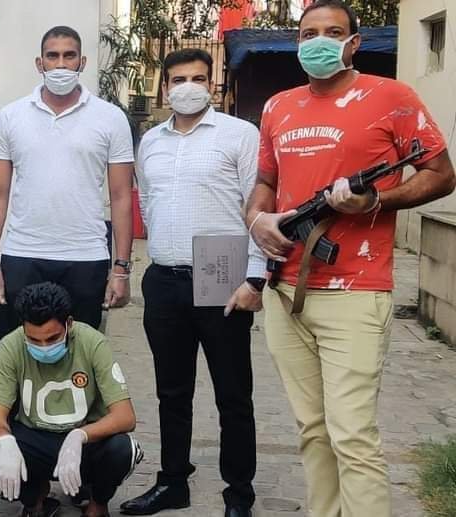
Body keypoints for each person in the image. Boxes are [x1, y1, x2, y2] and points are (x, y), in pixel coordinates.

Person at [245, 1, 455, 515]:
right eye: (308, 33)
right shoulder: (278, 107)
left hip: (356, 291)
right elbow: (266, 181)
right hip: (285, 291)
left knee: (352, 435)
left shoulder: (392, 97)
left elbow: (441, 174)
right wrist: (257, 220)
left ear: (354, 43)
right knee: (312, 430)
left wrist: (376, 200)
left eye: (333, 32)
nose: (319, 41)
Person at [121, 48, 262, 517]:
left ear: (213, 84)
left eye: (198, 78)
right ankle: (173, 482)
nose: (188, 87)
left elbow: (259, 208)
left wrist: (255, 278)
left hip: (222, 274)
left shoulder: (240, 135)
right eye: (178, 79)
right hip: (164, 277)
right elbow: (149, 202)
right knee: (172, 392)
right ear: (165, 87)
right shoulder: (150, 141)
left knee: (233, 394)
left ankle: (239, 493)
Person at [0, 25, 135, 336]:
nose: (61, 64)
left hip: (86, 256)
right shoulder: (11, 116)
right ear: (40, 63)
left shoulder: (110, 118)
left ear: (82, 62)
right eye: (52, 56)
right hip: (22, 253)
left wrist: (121, 268)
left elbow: (121, 196)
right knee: (19, 350)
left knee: (80, 352)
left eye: (69, 56)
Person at [0, 282, 142, 517]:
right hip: (34, 436)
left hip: (85, 439)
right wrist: (5, 441)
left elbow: (125, 416)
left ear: (69, 324)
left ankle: (97, 503)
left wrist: (80, 436)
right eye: (34, 340)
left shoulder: (92, 342)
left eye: (52, 338)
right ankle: (34, 500)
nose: (43, 347)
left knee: (123, 449)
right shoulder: (11, 345)